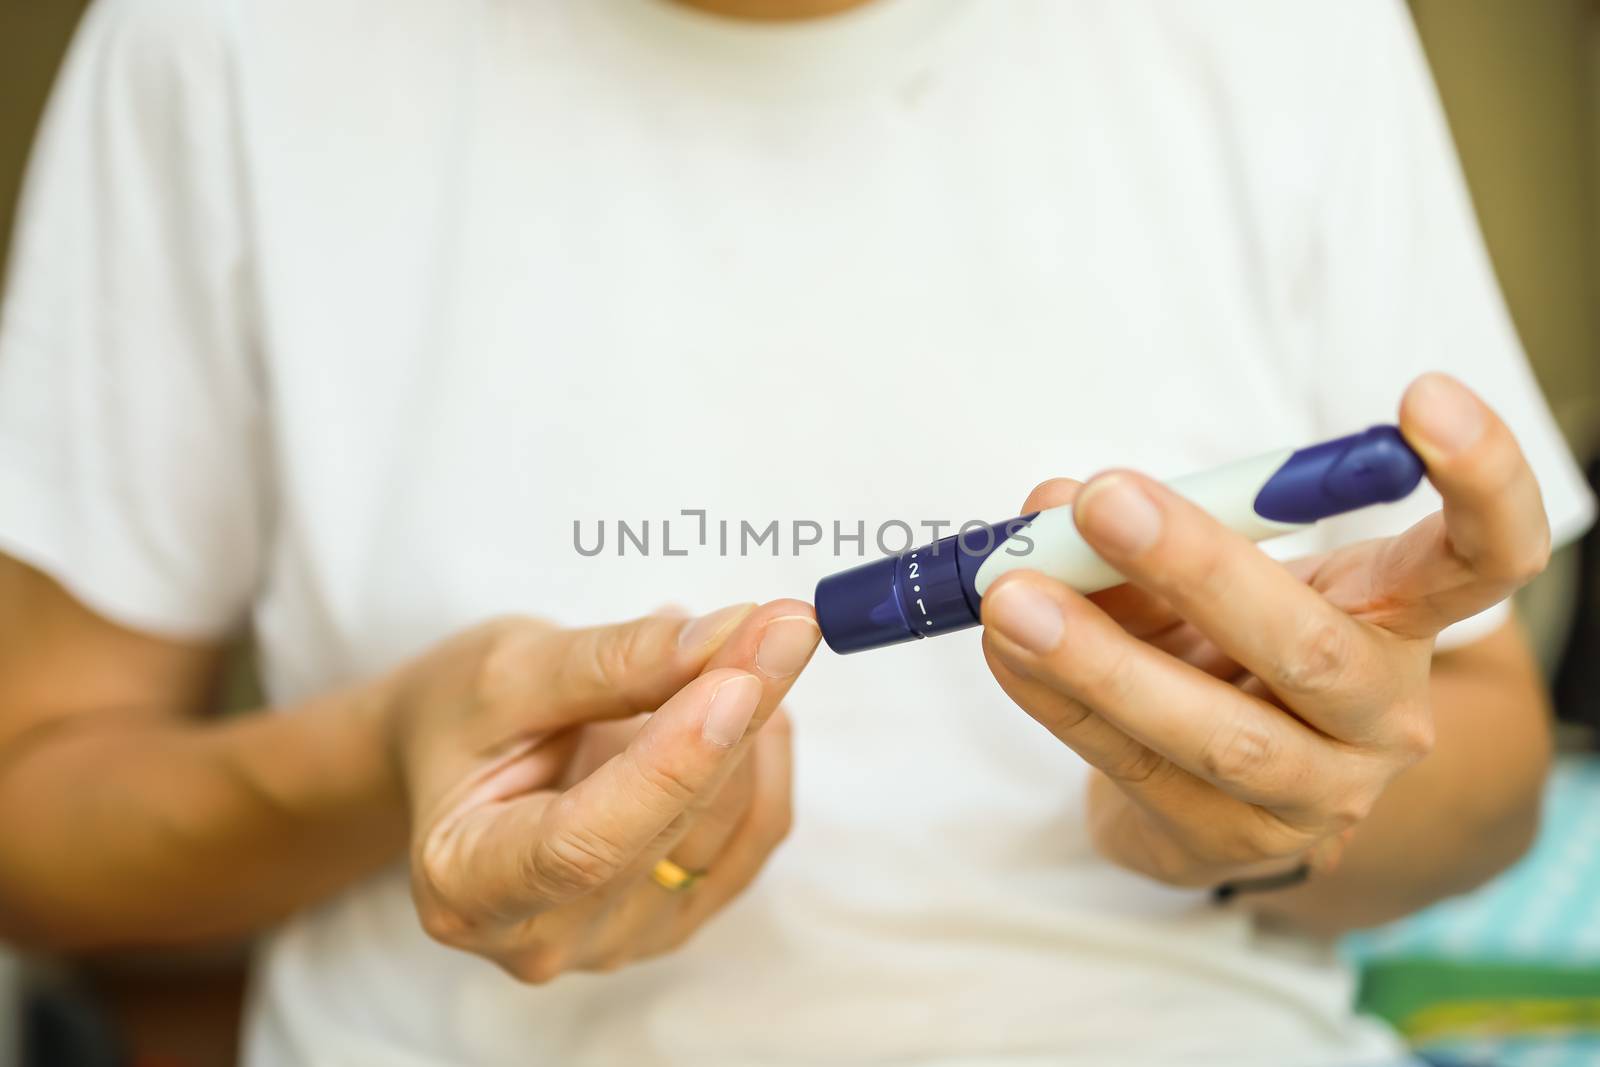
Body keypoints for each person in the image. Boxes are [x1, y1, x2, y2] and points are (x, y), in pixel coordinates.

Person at [0, 0, 1592, 1063]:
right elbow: (36, 819)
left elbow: (1488, 756)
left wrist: (1265, 815)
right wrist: (389, 754)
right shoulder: (218, 42)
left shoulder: (1284, 33)